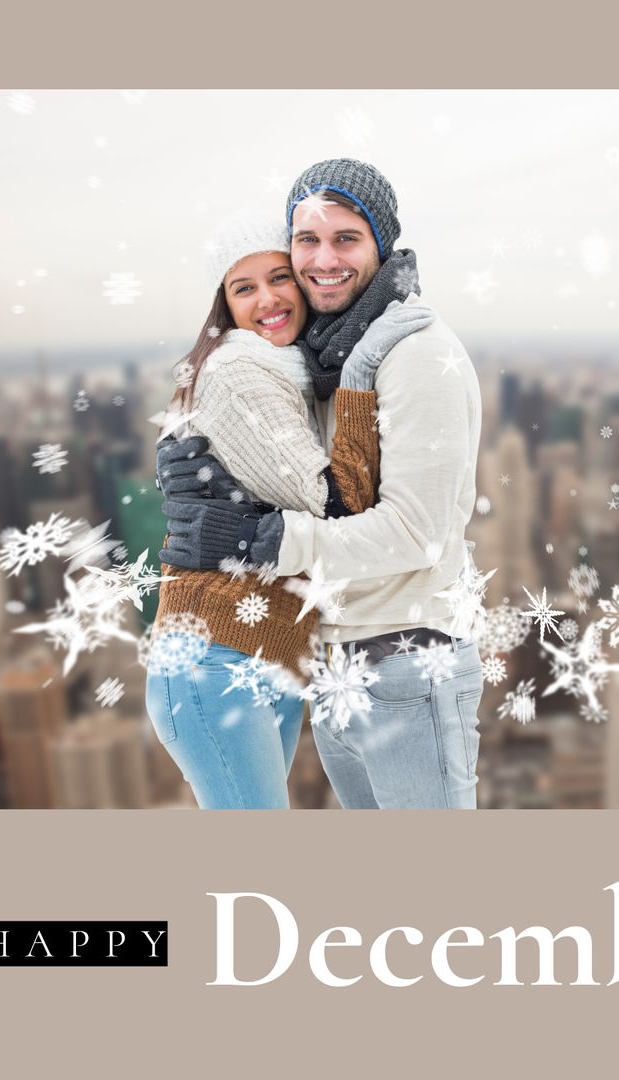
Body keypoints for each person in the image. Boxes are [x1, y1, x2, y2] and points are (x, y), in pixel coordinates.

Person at [160, 159, 485, 810]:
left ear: (381, 244)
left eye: (346, 238)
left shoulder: (414, 353)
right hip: (335, 666)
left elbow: (416, 534)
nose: (323, 258)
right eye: (306, 241)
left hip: (407, 662)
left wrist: (267, 540)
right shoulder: (315, 357)